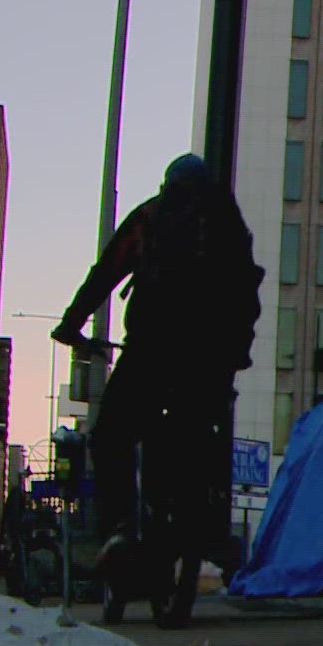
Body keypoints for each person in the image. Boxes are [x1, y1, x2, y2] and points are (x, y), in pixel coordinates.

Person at [52, 154, 264, 567]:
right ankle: (207, 525)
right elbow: (245, 292)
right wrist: (237, 353)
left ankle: (120, 529)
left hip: (150, 349)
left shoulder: (150, 216)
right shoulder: (227, 224)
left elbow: (106, 272)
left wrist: (70, 325)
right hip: (208, 357)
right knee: (205, 434)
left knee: (110, 436)